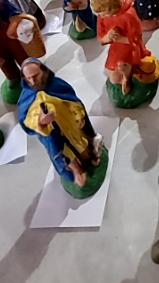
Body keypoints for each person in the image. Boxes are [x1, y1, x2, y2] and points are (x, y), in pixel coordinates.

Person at [18, 58, 103, 188]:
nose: (33, 81)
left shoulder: (57, 85)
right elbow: (26, 119)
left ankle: (89, 158)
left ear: (44, 71)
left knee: (81, 145)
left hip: (69, 124)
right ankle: (76, 171)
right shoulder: (26, 97)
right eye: (29, 78)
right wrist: (40, 121)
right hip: (53, 134)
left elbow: (72, 102)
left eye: (36, 76)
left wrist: (78, 115)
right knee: (65, 154)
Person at [91, 0, 152, 95]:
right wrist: (108, 37)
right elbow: (101, 37)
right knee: (114, 79)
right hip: (116, 47)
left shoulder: (129, 15)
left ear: (112, 8)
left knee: (122, 65)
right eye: (101, 14)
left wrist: (120, 38)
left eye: (105, 13)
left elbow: (136, 37)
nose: (102, 16)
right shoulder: (102, 16)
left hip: (130, 47)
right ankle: (124, 77)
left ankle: (126, 79)